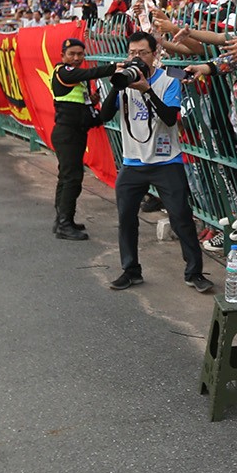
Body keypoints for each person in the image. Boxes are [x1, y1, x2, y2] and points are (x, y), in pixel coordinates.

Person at [100, 31, 211, 293]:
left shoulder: (168, 81)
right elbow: (104, 115)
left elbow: (171, 118)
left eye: (143, 53)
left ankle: (194, 272)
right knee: (126, 218)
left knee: (181, 217)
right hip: (132, 162)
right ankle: (130, 270)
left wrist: (147, 90)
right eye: (132, 53)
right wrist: (117, 85)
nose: (137, 58)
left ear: (155, 55)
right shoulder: (123, 82)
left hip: (166, 162)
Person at [49, 37, 117, 240]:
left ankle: (63, 220)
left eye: (80, 54)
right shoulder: (64, 71)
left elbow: (78, 103)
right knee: (72, 179)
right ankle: (63, 224)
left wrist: (91, 103)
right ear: (63, 56)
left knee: (67, 177)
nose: (76, 58)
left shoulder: (76, 80)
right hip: (67, 133)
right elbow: (90, 72)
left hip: (74, 132)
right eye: (72, 54)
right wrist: (116, 67)